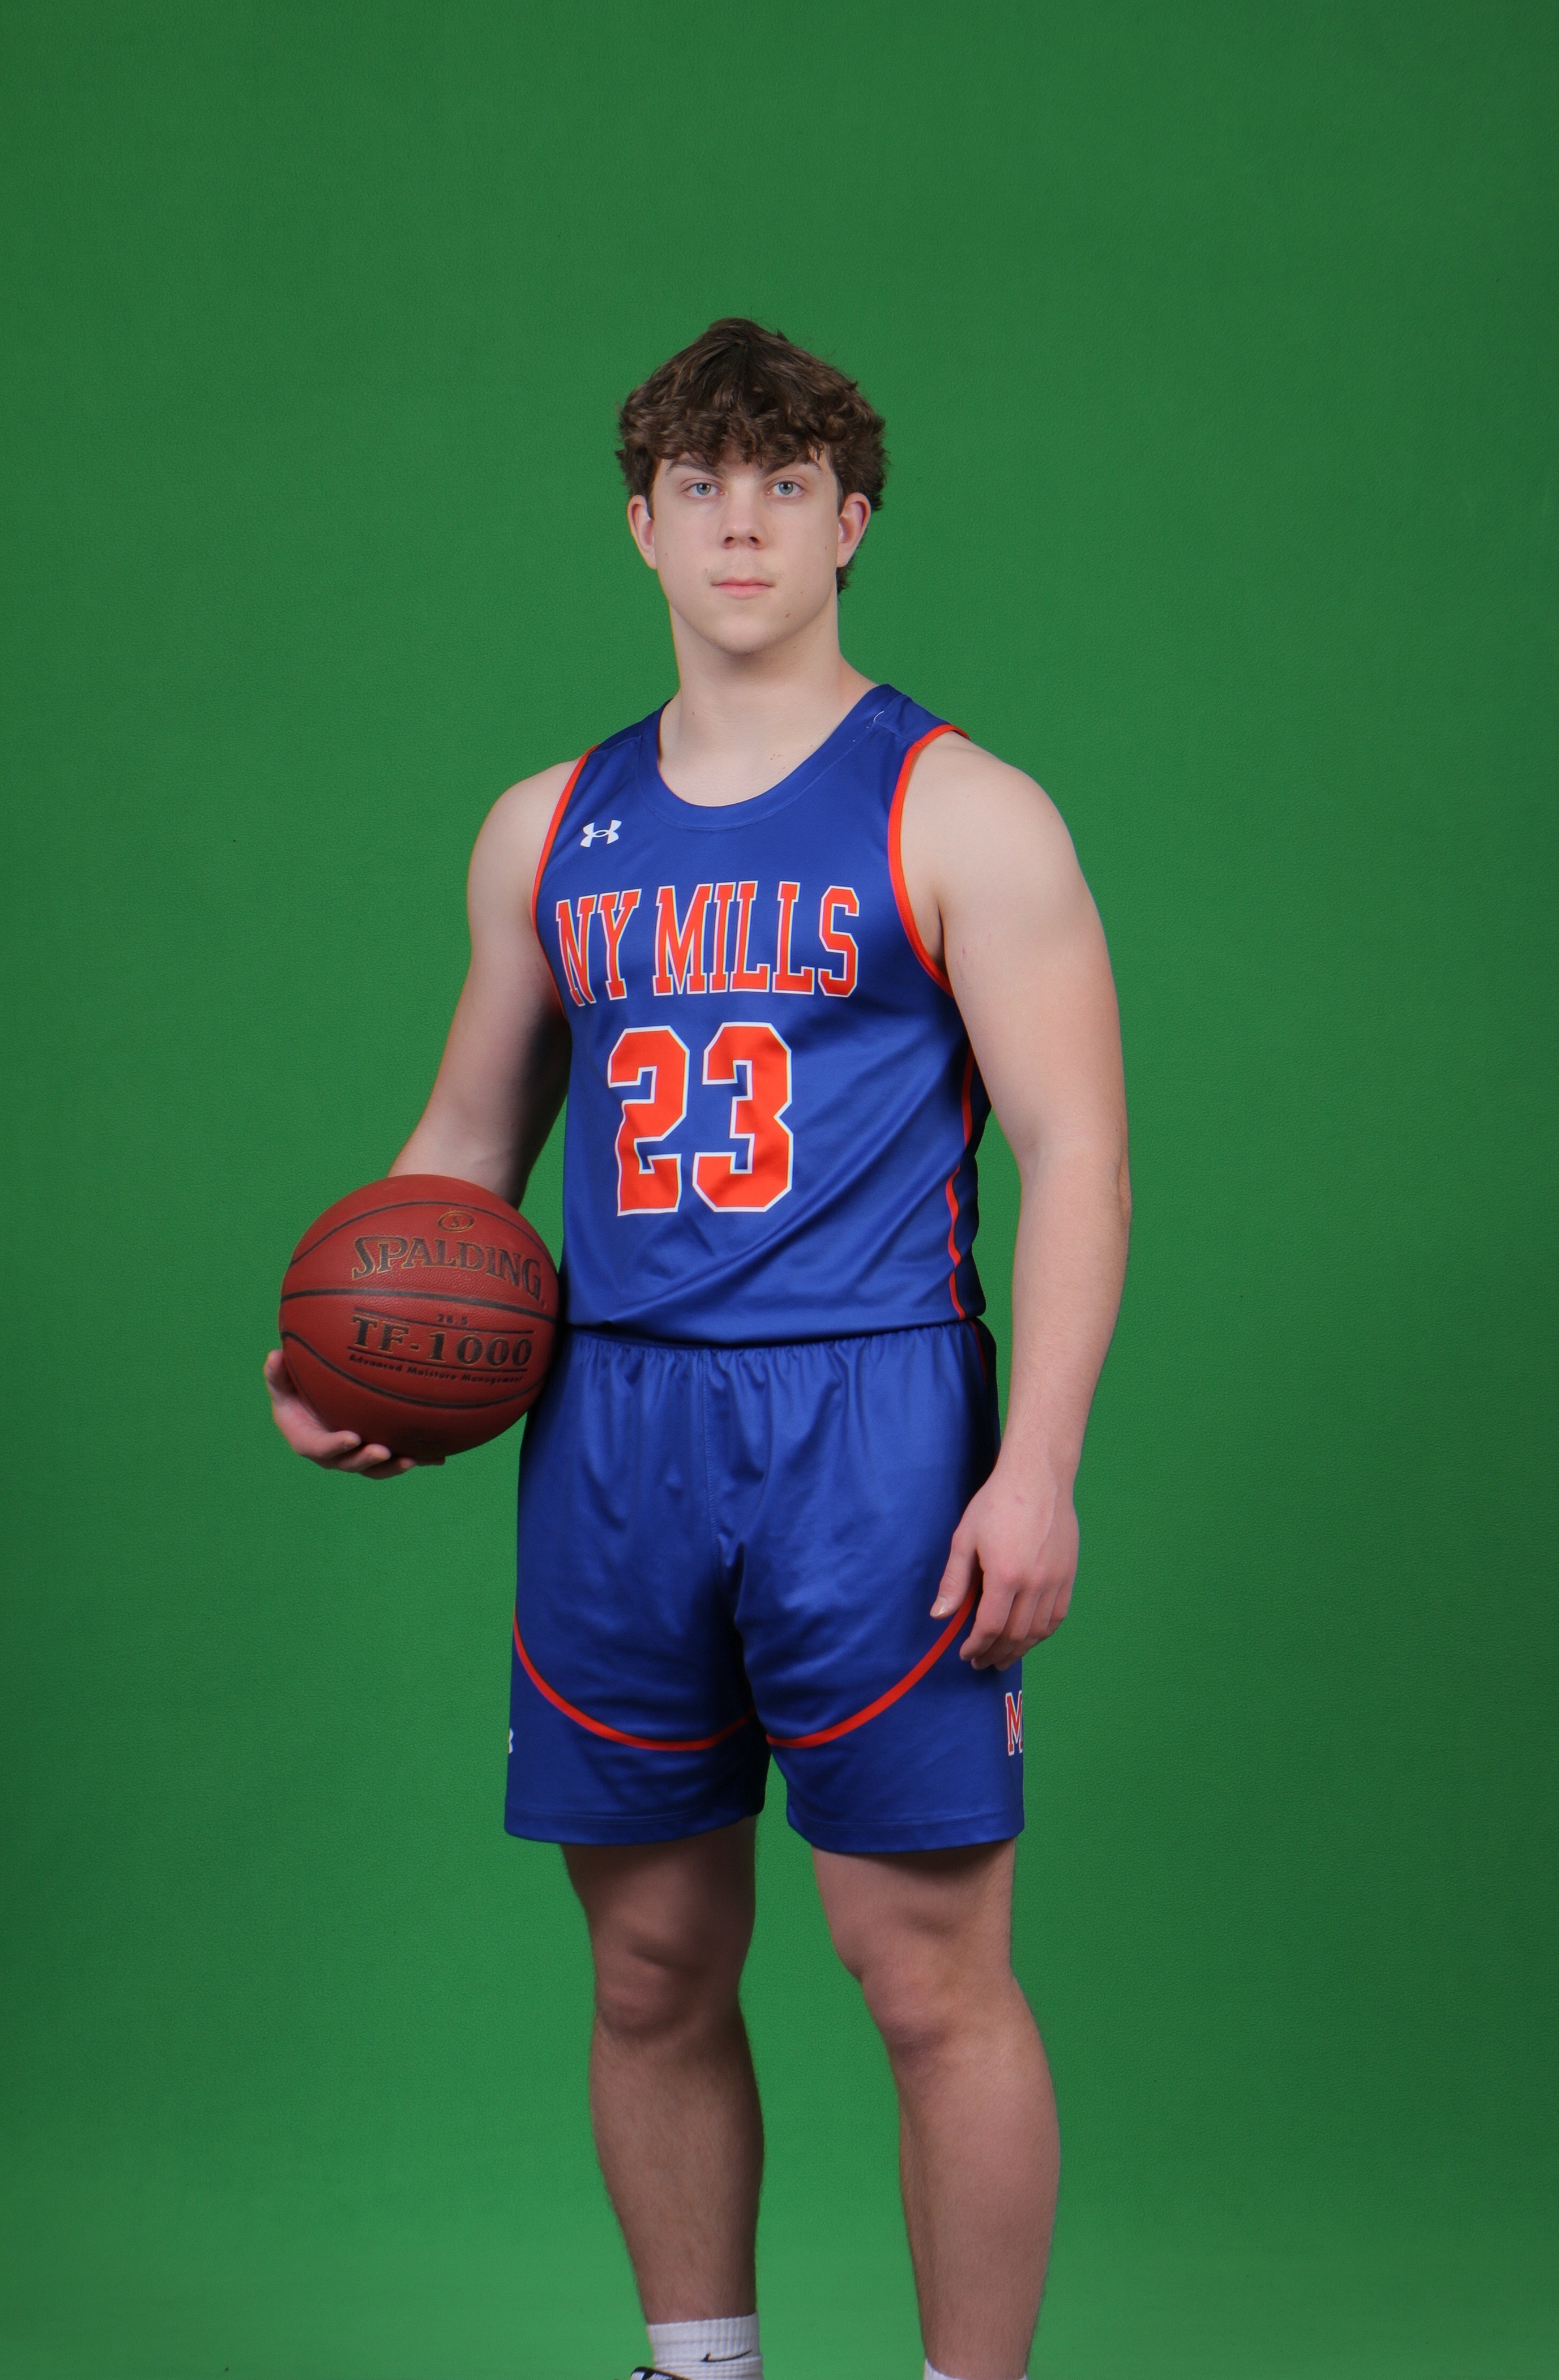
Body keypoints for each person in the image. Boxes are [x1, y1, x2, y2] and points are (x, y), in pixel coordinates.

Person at [265, 318, 1130, 2380]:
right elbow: (465, 1149)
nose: (743, 525)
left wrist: (1038, 1466)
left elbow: (1079, 1156)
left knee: (922, 1977)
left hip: (877, 1421)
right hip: (615, 1427)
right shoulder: (546, 827)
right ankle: (698, 2369)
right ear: (641, 527)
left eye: (786, 486)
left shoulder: (964, 810)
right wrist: (344, 1354)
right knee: (649, 1966)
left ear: (854, 521)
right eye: (700, 488)